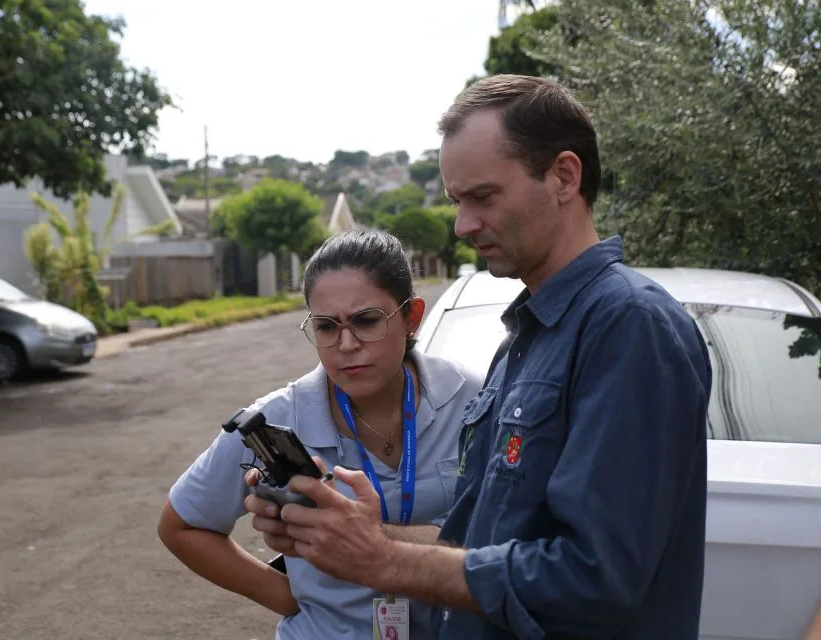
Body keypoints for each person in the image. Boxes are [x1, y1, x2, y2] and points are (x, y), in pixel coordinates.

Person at [245, 74, 714, 639]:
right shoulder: (529, 335)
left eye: (483, 197)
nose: (463, 226)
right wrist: (362, 533)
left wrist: (386, 563)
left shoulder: (629, 326)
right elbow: (487, 545)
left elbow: (596, 579)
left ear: (564, 176)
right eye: (456, 201)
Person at [157, 229, 484, 639]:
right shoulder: (277, 419)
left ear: (412, 318)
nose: (346, 344)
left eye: (367, 321)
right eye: (326, 327)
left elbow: (519, 544)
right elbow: (182, 525)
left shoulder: (476, 400)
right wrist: (288, 598)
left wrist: (361, 535)